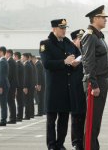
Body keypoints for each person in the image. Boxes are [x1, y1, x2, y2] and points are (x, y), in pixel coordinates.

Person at [40, 18, 80, 150]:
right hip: (54, 87)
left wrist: (75, 63)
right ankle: (51, 145)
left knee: (63, 119)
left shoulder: (68, 42)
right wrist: (64, 62)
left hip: (66, 87)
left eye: (65, 28)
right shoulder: (45, 44)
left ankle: (60, 143)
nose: (64, 30)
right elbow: (46, 64)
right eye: (61, 28)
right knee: (51, 119)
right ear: (54, 29)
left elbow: (79, 55)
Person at [81, 5, 108, 150]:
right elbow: (88, 62)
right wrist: (94, 84)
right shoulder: (90, 36)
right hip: (95, 82)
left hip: (101, 80)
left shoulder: (98, 36)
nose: (105, 20)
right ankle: (89, 147)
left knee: (96, 120)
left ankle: (93, 146)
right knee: (92, 120)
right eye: (103, 17)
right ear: (95, 18)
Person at [70, 29, 87, 150]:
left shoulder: (88, 51)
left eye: (82, 38)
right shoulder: (70, 52)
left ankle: (85, 140)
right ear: (74, 40)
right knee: (76, 116)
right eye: (79, 38)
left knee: (86, 115)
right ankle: (76, 142)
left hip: (86, 88)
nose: (81, 41)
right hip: (75, 88)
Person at [0, 46, 9, 127]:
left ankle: (3, 120)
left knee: (3, 104)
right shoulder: (2, 61)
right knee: (3, 103)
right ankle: (3, 119)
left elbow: (2, 75)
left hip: (2, 86)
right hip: (3, 85)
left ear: (1, 52)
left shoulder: (2, 61)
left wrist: (0, 86)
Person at [22, 53, 36, 120]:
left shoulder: (26, 65)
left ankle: (27, 115)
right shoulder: (29, 64)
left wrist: (25, 87)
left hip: (28, 86)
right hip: (31, 85)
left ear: (25, 57)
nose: (21, 58)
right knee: (30, 100)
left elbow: (26, 77)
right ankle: (30, 114)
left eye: (22, 57)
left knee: (27, 101)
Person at [6, 49, 17, 124]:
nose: (5, 55)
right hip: (13, 84)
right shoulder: (12, 61)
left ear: (9, 54)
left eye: (6, 53)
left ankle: (12, 118)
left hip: (11, 85)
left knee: (11, 101)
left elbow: (9, 74)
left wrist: (7, 84)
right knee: (11, 101)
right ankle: (13, 118)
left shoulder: (10, 61)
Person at [14, 51, 25, 122]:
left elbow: (16, 76)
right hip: (21, 85)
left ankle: (19, 116)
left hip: (19, 86)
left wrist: (16, 87)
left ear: (16, 56)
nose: (13, 57)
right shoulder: (21, 64)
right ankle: (20, 115)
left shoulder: (17, 64)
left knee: (19, 101)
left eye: (14, 56)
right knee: (20, 101)